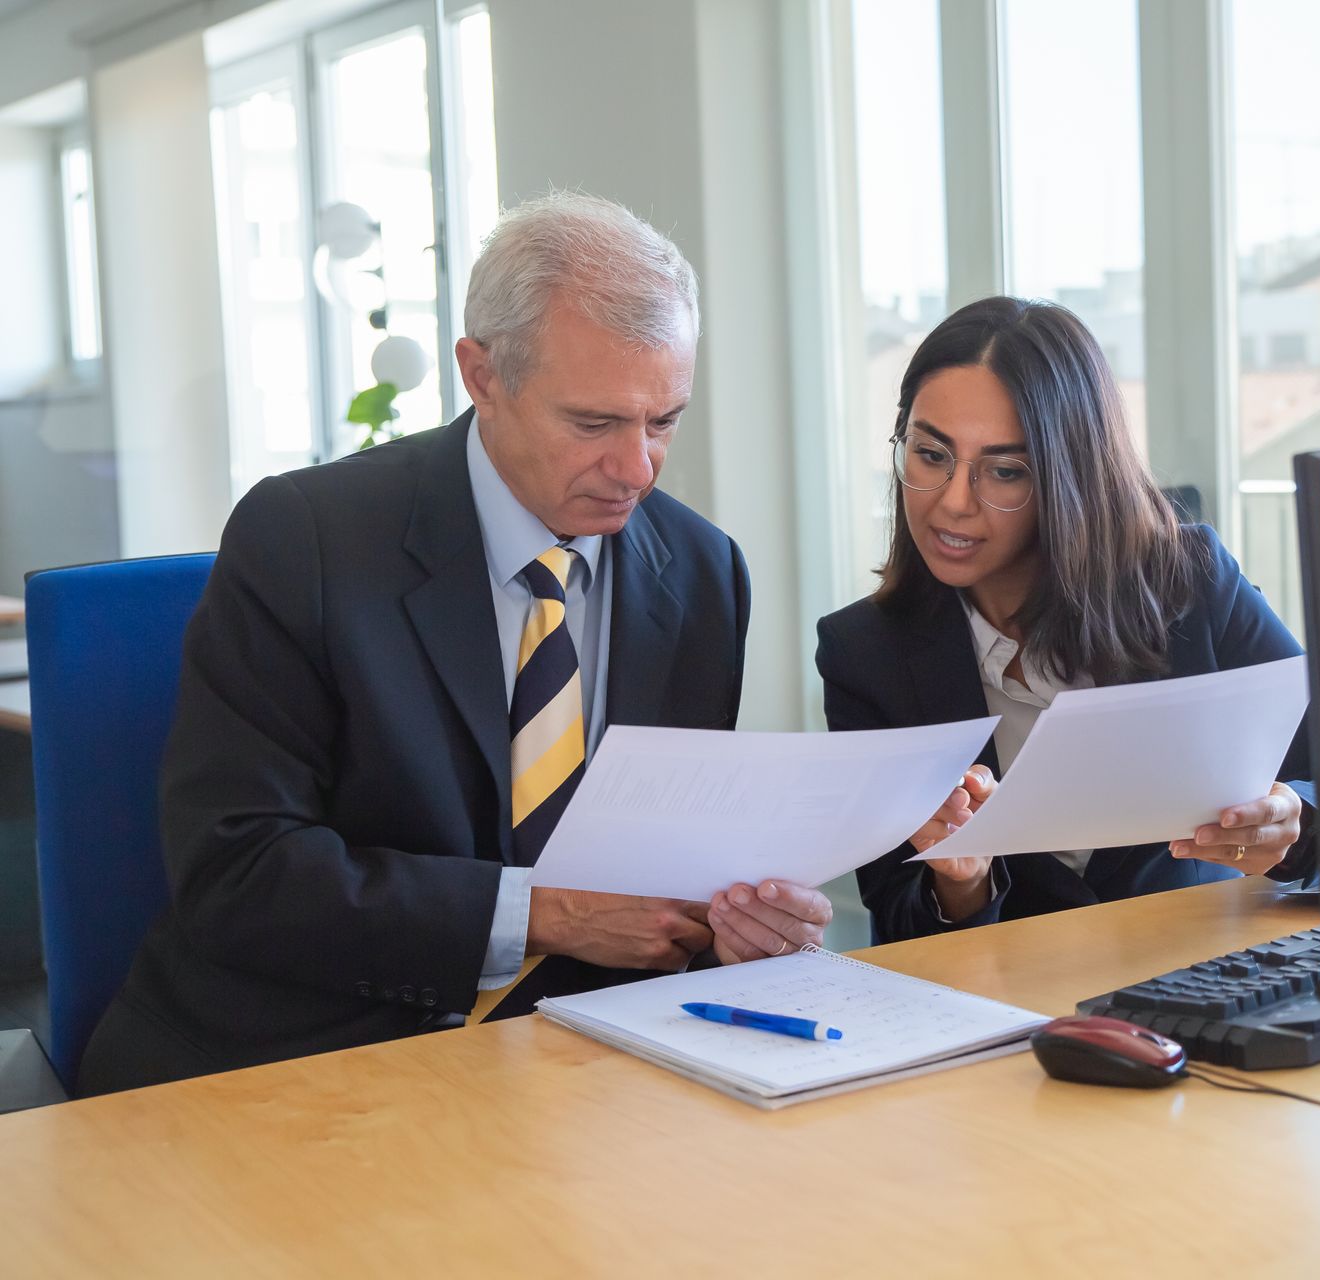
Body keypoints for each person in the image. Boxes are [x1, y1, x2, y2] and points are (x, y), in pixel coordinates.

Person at [79, 192, 829, 1094]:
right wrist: (540, 915)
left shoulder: (702, 572)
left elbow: (662, 863)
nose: (636, 469)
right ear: (481, 375)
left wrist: (735, 923)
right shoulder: (307, 539)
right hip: (305, 1059)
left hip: (582, 1070)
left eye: (663, 421)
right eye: (593, 423)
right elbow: (239, 874)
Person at [816, 296, 1314, 945]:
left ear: (1070, 475)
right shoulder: (864, 652)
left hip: (1202, 981)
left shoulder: (1192, 582)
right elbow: (896, 914)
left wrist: (1291, 821)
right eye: (931, 454)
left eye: (1004, 470)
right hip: (1004, 1011)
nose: (954, 503)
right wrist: (961, 883)